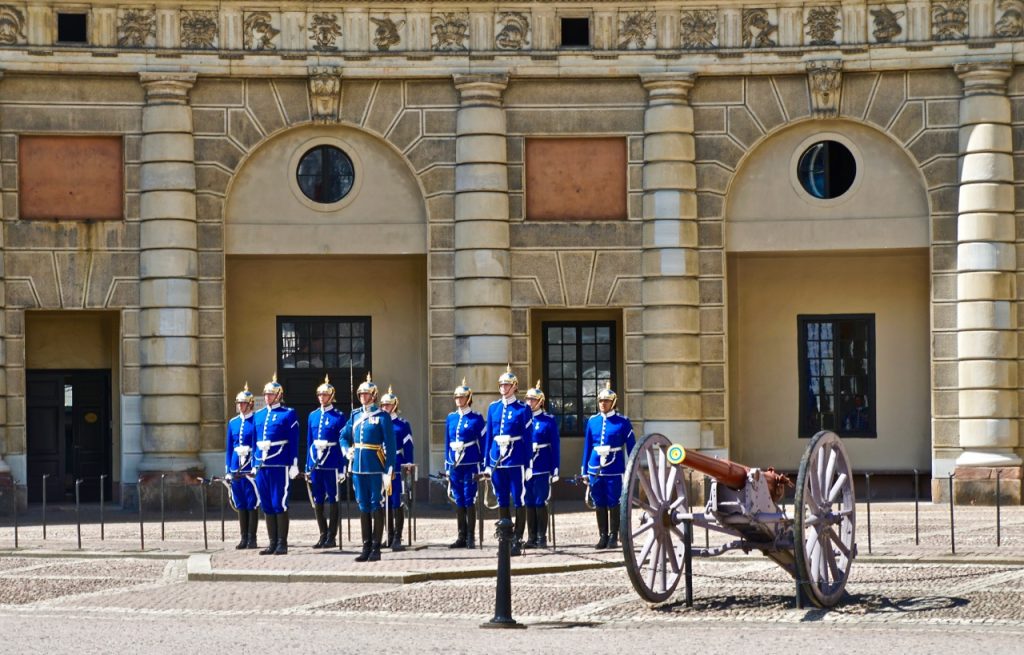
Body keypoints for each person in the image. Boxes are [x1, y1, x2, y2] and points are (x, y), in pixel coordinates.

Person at [339, 373, 397, 562]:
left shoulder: (382, 417)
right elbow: (344, 436)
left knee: (376, 505)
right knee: (363, 506)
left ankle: (376, 547)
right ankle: (365, 546)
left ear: (373, 395)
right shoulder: (355, 415)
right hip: (357, 468)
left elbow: (391, 444)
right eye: (361, 394)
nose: (363, 396)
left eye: (366, 394)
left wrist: (389, 469)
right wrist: (346, 450)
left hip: (375, 467)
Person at [484, 366, 534, 555]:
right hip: (497, 459)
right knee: (501, 498)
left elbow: (528, 438)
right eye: (501, 385)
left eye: (507, 385)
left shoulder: (523, 409)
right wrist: (487, 464)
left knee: (518, 499)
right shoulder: (493, 408)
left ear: (514, 387)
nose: (503, 388)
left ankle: (518, 538)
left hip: (516, 459)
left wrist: (528, 464)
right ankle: (504, 536)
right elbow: (489, 436)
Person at [581, 381, 635, 550]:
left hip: (614, 467)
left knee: (614, 502)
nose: (602, 404)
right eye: (600, 401)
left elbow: (632, 447)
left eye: (606, 401)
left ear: (613, 403)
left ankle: (613, 535)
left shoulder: (623, 422)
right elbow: (588, 446)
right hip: (595, 467)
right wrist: (584, 470)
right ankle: (602, 535)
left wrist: (632, 468)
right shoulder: (593, 421)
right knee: (599, 502)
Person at [253, 374, 300, 555]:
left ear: (279, 395)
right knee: (266, 504)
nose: (267, 397)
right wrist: (253, 462)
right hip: (262, 464)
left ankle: (282, 543)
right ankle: (272, 542)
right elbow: (253, 441)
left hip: (280, 464)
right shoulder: (259, 415)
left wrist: (294, 463)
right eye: (266, 394)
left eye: (271, 394)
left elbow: (293, 440)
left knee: (279, 502)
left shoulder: (288, 414)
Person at [305, 375, 347, 550]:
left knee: (334, 500)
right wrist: (307, 465)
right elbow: (309, 442)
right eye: (320, 395)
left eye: (325, 395)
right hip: (316, 464)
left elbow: (343, 442)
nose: (322, 397)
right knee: (317, 500)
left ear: (331, 396)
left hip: (331, 464)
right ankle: (322, 533)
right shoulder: (313, 416)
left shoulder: (339, 417)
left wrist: (342, 467)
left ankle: (332, 535)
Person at [445, 378, 486, 549]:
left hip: (471, 463)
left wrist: (484, 467)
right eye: (456, 397)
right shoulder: (451, 418)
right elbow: (447, 442)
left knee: (470, 499)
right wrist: (447, 466)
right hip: (455, 464)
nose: (458, 400)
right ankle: (461, 536)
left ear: (468, 398)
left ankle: (471, 537)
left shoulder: (476, 418)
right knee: (459, 499)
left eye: (461, 397)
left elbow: (483, 443)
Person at [523, 380, 560, 549]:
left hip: (542, 466)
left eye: (532, 399)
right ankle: (531, 536)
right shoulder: (523, 419)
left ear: (540, 401)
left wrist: (555, 468)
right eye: (528, 399)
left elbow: (555, 446)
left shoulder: (548, 420)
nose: (529, 402)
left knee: (540, 501)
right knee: (528, 501)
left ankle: (541, 536)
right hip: (525, 467)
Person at [225, 383, 260, 549]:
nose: (240, 406)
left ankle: (252, 538)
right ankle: (243, 537)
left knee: (251, 502)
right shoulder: (232, 422)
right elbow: (229, 448)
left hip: (249, 467)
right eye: (239, 403)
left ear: (250, 404)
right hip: (235, 466)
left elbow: (257, 444)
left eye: (243, 403)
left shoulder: (256, 421)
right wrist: (227, 469)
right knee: (239, 502)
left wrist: (255, 464)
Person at [380, 386, 413, 551]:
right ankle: (389, 535)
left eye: (388, 405)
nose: (385, 407)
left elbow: (408, 446)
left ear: (394, 406)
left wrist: (408, 464)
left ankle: (398, 537)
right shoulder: (379, 422)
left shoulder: (402, 425)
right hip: (382, 464)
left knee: (396, 502)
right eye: (383, 405)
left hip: (398, 465)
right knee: (385, 501)